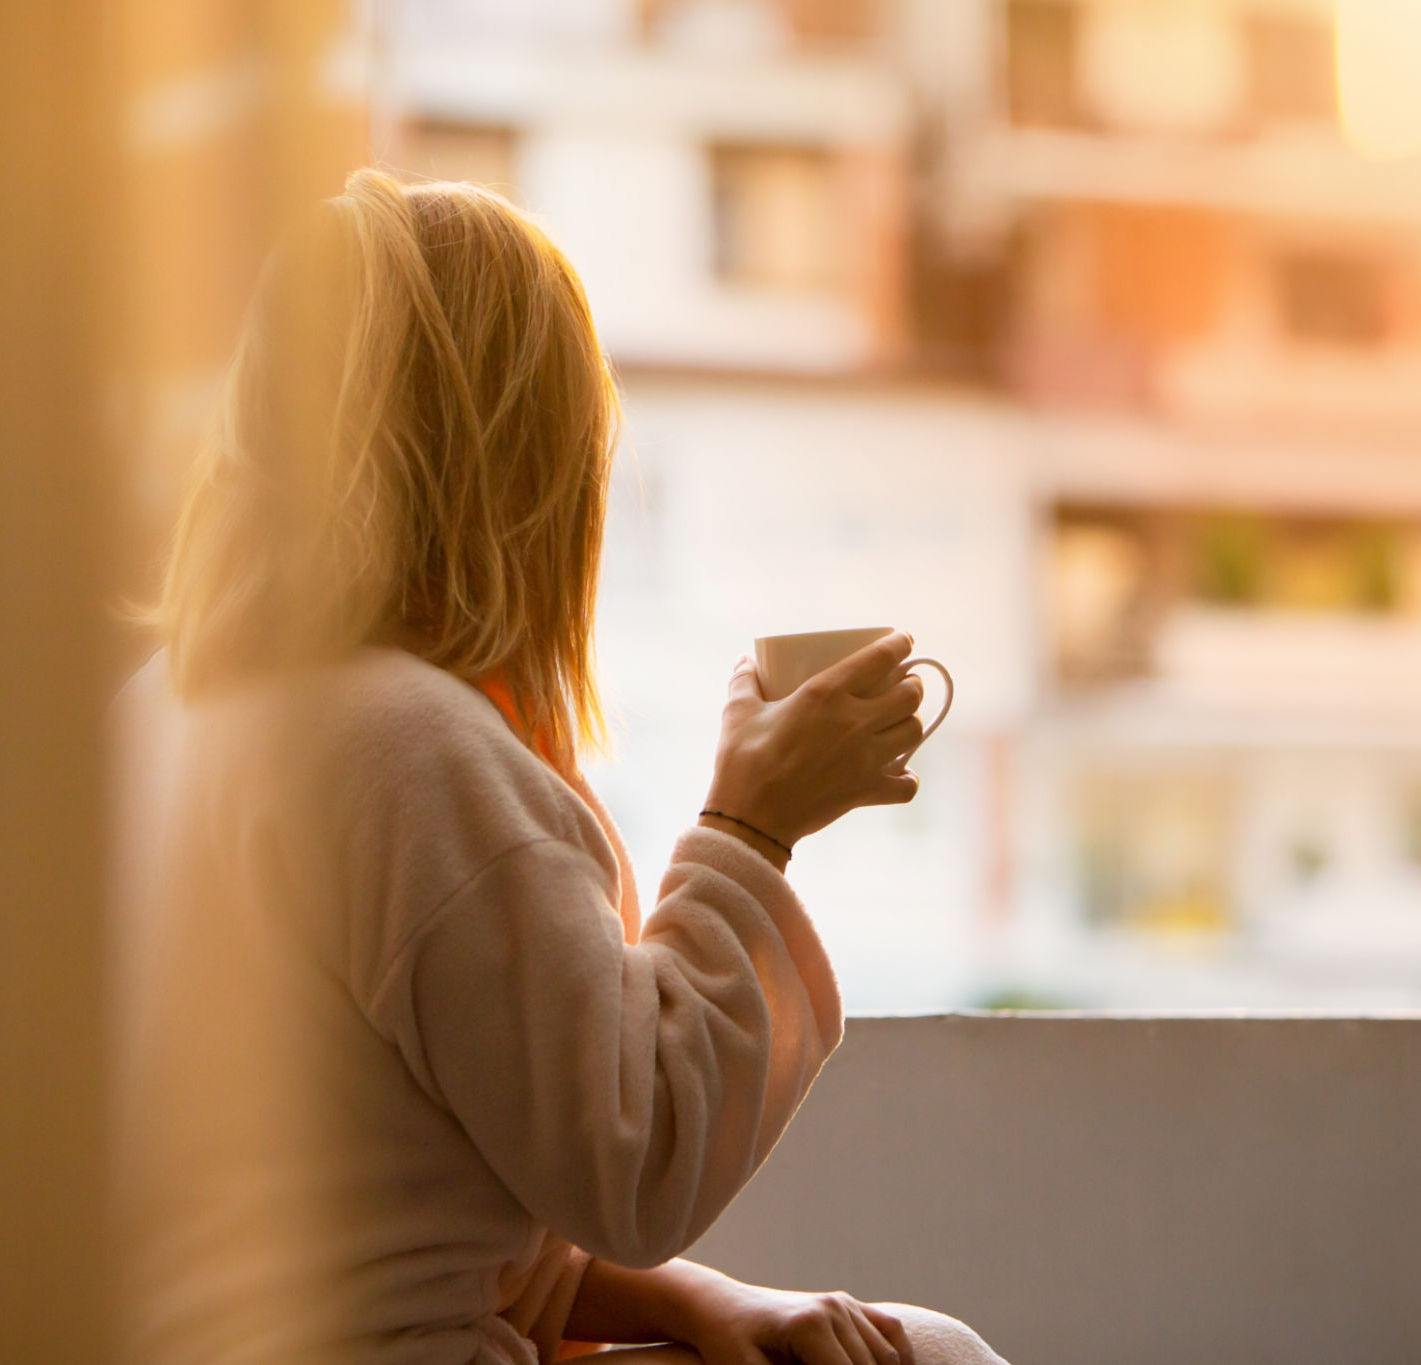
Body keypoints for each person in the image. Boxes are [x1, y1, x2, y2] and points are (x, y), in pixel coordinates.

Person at [113, 168, 1010, 1365]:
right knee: (935, 1356)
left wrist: (696, 1301)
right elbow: (631, 1160)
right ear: (529, 456)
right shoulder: (407, 750)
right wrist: (751, 831)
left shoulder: (160, 717)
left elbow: (375, 1215)